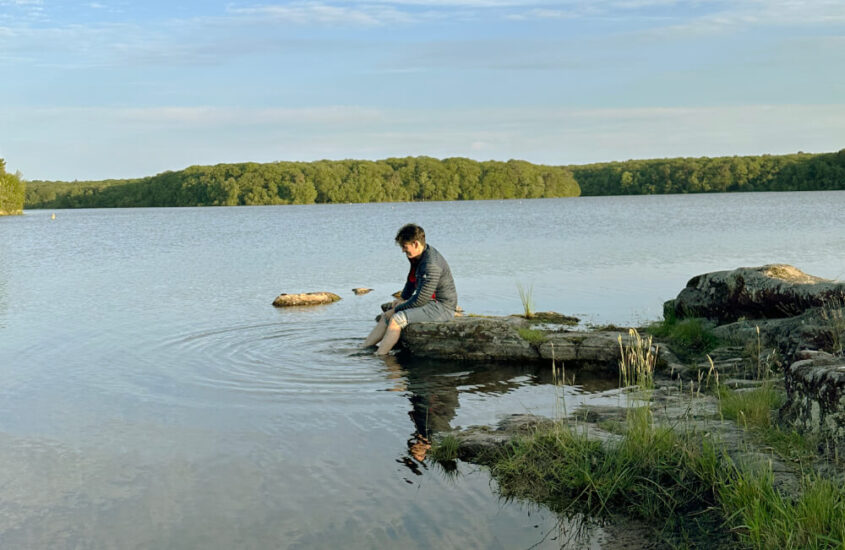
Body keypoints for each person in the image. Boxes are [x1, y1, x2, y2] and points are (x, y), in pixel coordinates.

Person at [363, 223, 457, 355]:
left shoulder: (431, 264)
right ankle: (363, 348)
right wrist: (402, 298)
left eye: (404, 246)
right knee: (386, 315)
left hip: (442, 307)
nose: (402, 250)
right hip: (429, 301)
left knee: (396, 319)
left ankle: (381, 356)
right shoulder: (417, 256)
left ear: (416, 244)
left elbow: (421, 299)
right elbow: (411, 280)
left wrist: (396, 309)